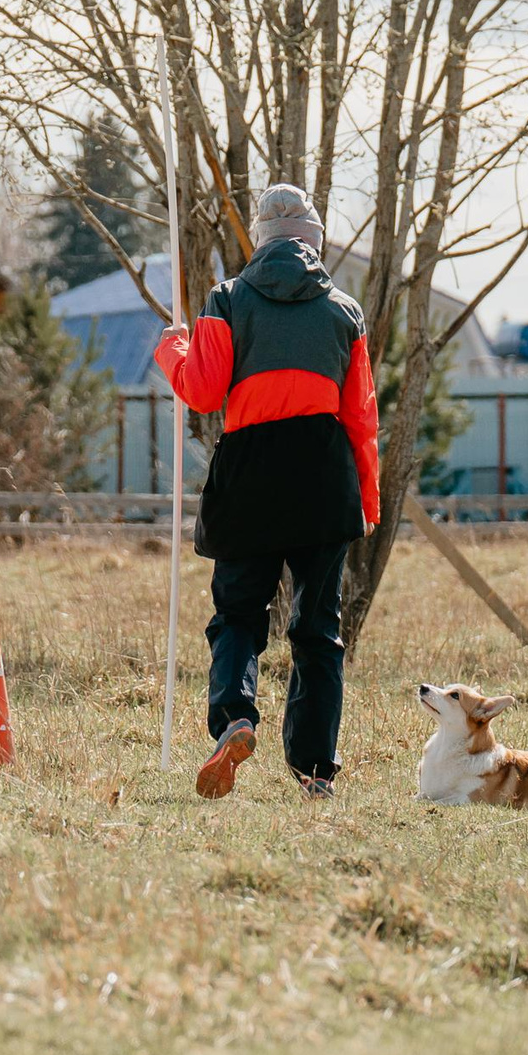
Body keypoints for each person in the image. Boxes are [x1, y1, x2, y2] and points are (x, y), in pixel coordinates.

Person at [153, 184, 379, 800]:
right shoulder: (345, 312)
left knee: (239, 618)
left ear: (260, 239)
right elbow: (360, 414)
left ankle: (235, 720)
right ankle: (314, 772)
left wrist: (173, 349)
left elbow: (201, 393)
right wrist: (368, 498)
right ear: (314, 240)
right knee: (317, 630)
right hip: (325, 478)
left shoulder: (227, 300)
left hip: (250, 474)